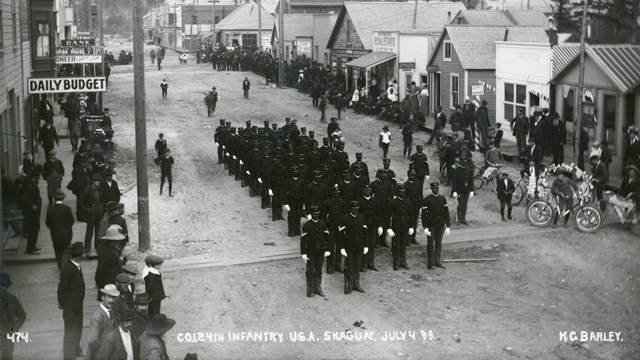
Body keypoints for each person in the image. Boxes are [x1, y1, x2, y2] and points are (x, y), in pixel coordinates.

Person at [58, 242, 86, 360]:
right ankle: (68, 356)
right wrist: (65, 304)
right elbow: (62, 289)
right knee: (70, 332)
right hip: (71, 307)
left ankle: (76, 350)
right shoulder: (68, 269)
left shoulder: (76, 265)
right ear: (79, 255)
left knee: (78, 328)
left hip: (77, 305)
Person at [338, 201, 368, 294]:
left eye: (357, 208)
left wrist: (366, 245)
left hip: (359, 246)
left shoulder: (362, 218)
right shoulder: (344, 219)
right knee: (350, 266)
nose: (355, 210)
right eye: (354, 209)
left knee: (357, 266)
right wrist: (342, 248)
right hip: (349, 247)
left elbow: (365, 233)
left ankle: (356, 284)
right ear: (350, 209)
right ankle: (350, 285)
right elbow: (340, 235)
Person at [301, 205, 330, 297]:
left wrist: (328, 249)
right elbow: (303, 241)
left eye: (317, 213)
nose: (316, 215)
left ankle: (318, 288)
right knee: (310, 270)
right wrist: (303, 253)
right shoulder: (306, 225)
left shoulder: (323, 223)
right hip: (311, 252)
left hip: (321, 251)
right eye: (314, 213)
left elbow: (327, 237)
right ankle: (311, 289)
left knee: (319, 270)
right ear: (311, 214)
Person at [421, 182, 451, 270]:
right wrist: (425, 227)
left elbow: (446, 212)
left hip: (440, 225)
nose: (436, 190)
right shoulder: (427, 199)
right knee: (430, 244)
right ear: (431, 189)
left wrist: (448, 225)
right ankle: (431, 263)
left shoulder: (442, 199)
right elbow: (423, 215)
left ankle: (437, 261)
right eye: (434, 188)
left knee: (438, 244)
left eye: (437, 188)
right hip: (431, 226)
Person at [85, 284, 120, 360]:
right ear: (103, 297)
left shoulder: (111, 312)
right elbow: (92, 340)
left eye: (113, 298)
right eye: (109, 297)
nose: (111, 300)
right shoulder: (97, 316)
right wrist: (103, 348)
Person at [46, 190, 75, 269]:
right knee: (66, 251)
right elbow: (72, 221)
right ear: (63, 198)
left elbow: (47, 223)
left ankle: (60, 265)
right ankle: (65, 266)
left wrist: (54, 228)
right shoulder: (67, 209)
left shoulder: (50, 209)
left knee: (58, 251)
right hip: (66, 234)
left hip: (55, 235)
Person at [95, 225, 126, 300]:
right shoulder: (105, 253)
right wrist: (121, 258)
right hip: (108, 283)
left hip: (113, 282)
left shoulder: (113, 248)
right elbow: (100, 271)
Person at [0, 273, 26, 360]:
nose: (3, 288)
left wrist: (14, 328)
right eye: (2, 285)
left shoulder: (12, 299)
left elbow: (22, 315)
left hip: (9, 334)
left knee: (7, 356)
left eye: (5, 285)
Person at [387, 184, 413, 270]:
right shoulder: (393, 202)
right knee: (396, 245)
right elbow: (388, 216)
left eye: (404, 191)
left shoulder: (408, 201)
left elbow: (411, 215)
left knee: (403, 244)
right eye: (400, 191)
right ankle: (396, 262)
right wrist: (389, 228)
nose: (402, 193)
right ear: (397, 192)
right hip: (396, 227)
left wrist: (411, 226)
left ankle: (403, 262)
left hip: (405, 226)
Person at [78, 173, 103, 257]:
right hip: (91, 213)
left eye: (99, 181)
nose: (98, 182)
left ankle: (97, 248)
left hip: (99, 211)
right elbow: (80, 203)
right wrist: (88, 210)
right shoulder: (87, 190)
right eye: (96, 181)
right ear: (93, 181)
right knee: (89, 231)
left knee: (98, 231)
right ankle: (87, 248)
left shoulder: (100, 189)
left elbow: (102, 199)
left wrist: (101, 208)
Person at [321, 188, 345, 274]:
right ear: (332, 193)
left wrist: (343, 226)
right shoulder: (327, 203)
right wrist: (325, 229)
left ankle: (338, 265)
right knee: (330, 247)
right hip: (331, 228)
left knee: (339, 247)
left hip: (340, 228)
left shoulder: (342, 202)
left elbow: (345, 215)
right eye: (335, 193)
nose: (337, 194)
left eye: (338, 193)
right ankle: (330, 266)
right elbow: (323, 217)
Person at [358, 184, 381, 272]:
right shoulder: (359, 201)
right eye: (366, 190)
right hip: (364, 228)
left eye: (369, 190)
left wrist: (380, 226)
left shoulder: (375, 201)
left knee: (371, 246)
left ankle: (370, 263)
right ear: (363, 191)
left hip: (373, 227)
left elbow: (378, 214)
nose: (367, 192)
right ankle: (363, 265)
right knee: (364, 246)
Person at [22, 170, 42, 255]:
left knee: (36, 228)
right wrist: (32, 206)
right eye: (37, 177)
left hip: (35, 211)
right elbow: (25, 199)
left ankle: (33, 246)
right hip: (32, 212)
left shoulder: (32, 184)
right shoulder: (30, 186)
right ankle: (30, 249)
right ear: (34, 177)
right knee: (33, 229)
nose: (38, 179)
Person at [452, 156, 475, 225]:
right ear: (460, 162)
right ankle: (459, 219)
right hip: (460, 190)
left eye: (465, 162)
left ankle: (463, 219)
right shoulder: (457, 170)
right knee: (460, 204)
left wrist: (472, 190)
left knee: (465, 205)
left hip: (467, 190)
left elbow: (471, 180)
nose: (464, 163)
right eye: (463, 162)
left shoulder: (468, 169)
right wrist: (454, 191)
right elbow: (454, 181)